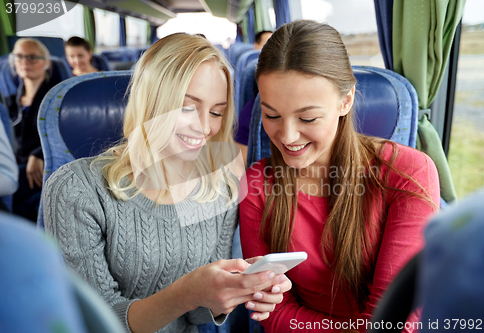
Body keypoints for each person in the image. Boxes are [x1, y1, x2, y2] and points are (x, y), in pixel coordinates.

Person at [44, 33, 291, 333]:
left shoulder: (220, 187)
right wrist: (186, 292)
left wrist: (233, 288)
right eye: (187, 107)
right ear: (152, 101)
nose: (205, 126)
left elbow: (197, 314)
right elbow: (94, 321)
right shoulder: (77, 189)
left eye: (216, 112)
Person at [239, 20, 440, 333]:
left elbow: (392, 322)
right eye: (271, 115)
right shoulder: (257, 186)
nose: (288, 136)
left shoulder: (408, 173)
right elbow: (274, 314)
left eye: (308, 117)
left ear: (345, 101)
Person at [7, 38, 61, 221]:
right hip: (14, 162)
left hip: (43, 164)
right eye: (20, 57)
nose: (25, 62)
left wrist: (38, 153)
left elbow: (61, 132)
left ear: (46, 63)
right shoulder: (10, 101)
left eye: (32, 57)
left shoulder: (57, 98)